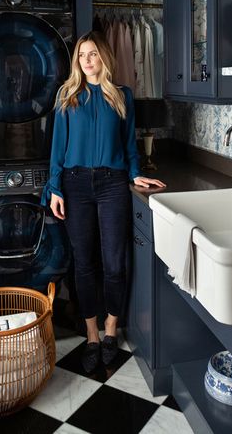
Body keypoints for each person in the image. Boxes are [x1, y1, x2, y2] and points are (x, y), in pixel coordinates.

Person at [43, 31, 166, 372]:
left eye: (93, 54)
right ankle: (92, 333)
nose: (87, 60)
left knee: (115, 262)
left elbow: (129, 147)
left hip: (113, 184)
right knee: (84, 263)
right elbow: (57, 149)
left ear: (104, 58)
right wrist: (54, 187)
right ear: (77, 61)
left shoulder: (122, 95)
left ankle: (112, 326)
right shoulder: (67, 95)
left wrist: (135, 173)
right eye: (82, 55)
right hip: (75, 184)